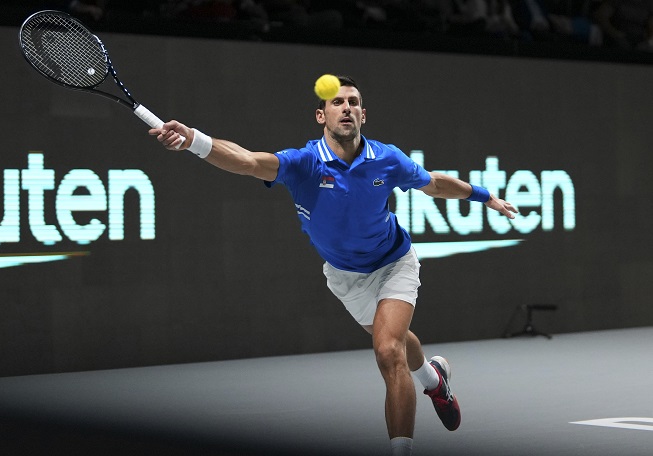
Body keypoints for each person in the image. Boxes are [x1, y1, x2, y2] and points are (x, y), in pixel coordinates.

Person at [150, 75, 517, 456]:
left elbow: (434, 184)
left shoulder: (387, 158)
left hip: (393, 263)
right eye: (337, 102)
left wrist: (485, 196)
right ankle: (434, 379)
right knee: (395, 340)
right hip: (344, 276)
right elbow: (247, 161)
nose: (346, 108)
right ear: (321, 115)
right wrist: (193, 139)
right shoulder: (305, 163)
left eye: (353, 102)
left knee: (388, 350)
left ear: (363, 115)